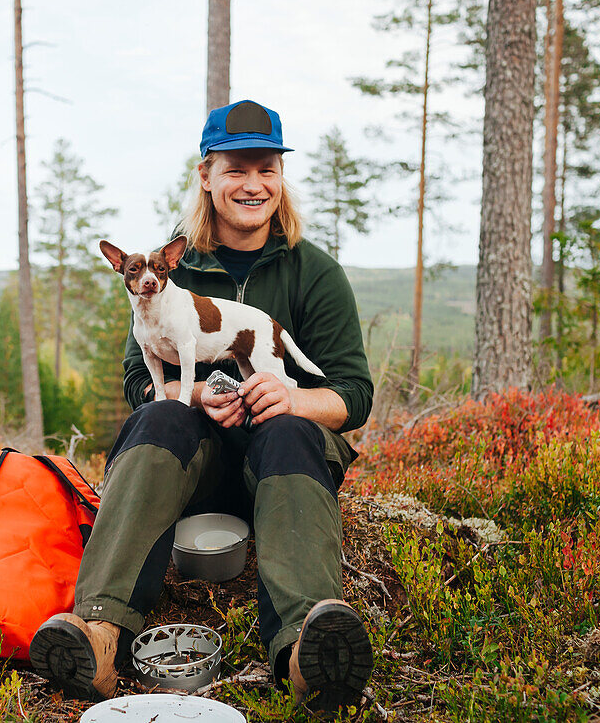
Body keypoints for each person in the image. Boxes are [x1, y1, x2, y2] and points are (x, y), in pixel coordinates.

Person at [29, 99, 375, 711]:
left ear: (280, 178)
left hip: (281, 467)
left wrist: (291, 396)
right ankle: (99, 634)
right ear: (207, 176)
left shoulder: (314, 274)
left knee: (290, 429)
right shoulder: (161, 269)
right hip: (193, 471)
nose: (252, 184)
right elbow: (140, 378)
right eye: (236, 169)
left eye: (266, 169)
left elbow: (353, 394)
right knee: (159, 414)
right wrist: (190, 393)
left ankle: (304, 653)